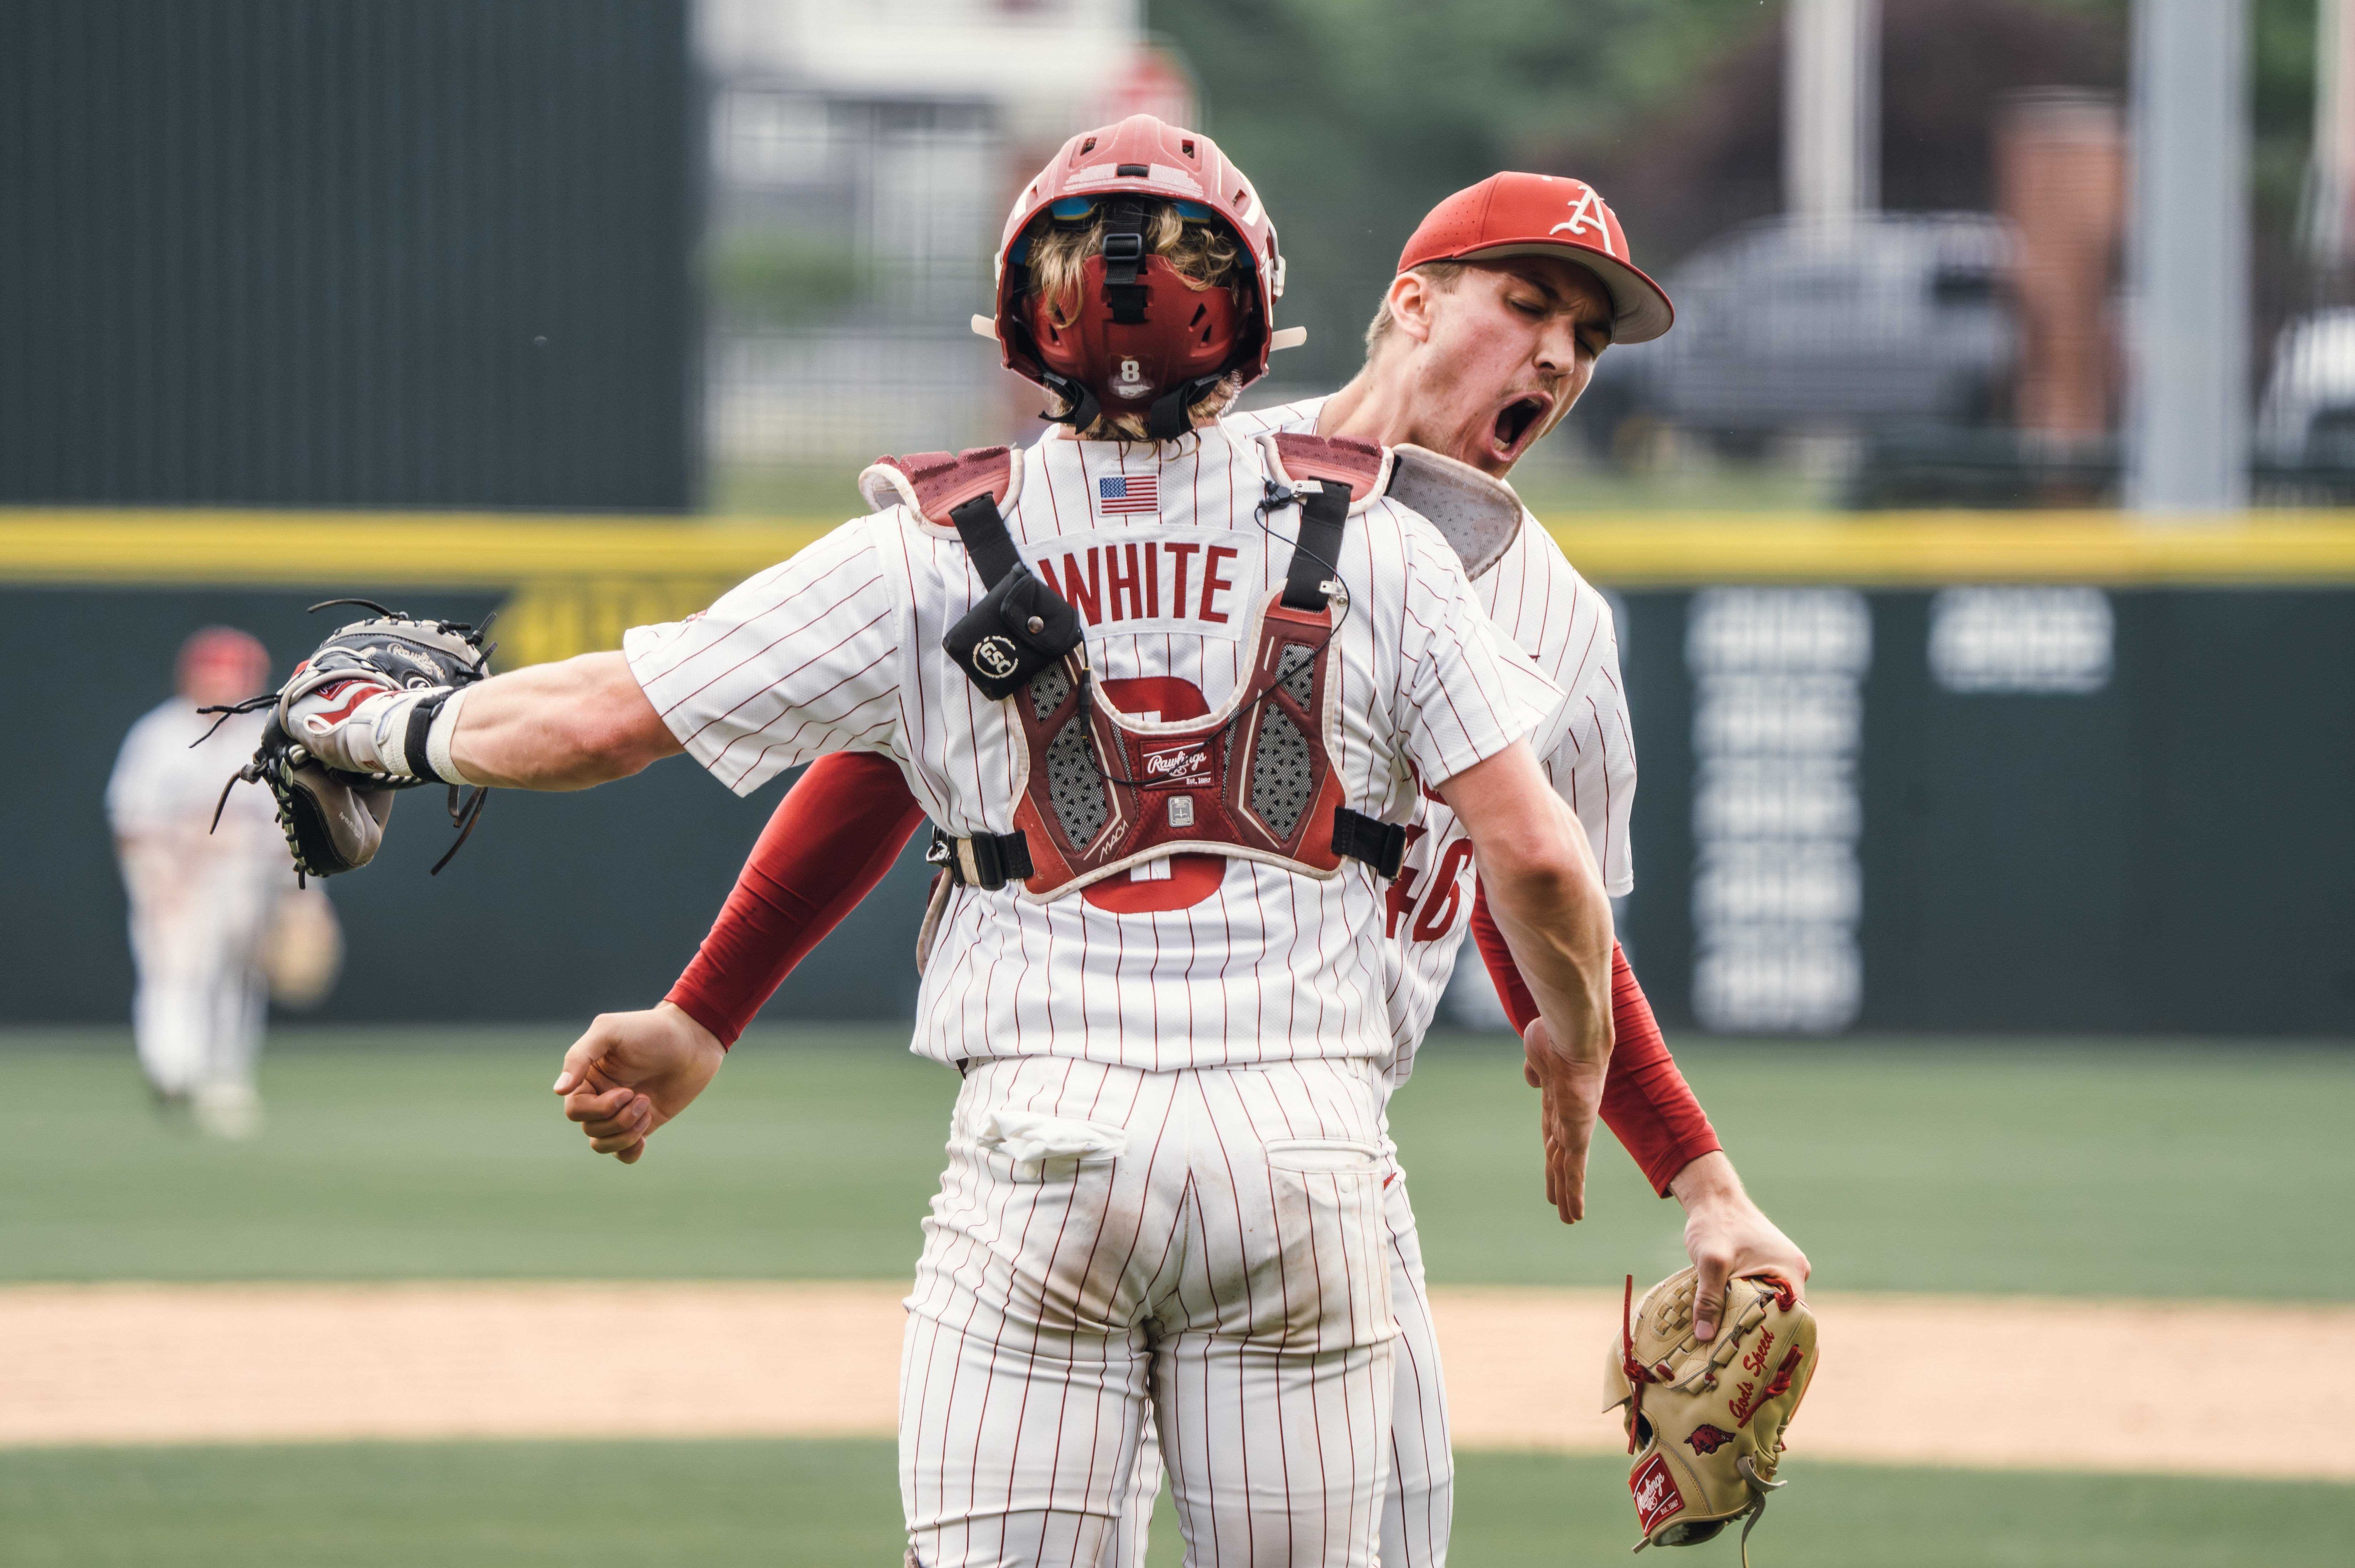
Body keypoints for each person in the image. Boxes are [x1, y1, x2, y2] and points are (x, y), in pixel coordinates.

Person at [281, 117, 1617, 1568]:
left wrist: (370, 726)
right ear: (1256, 323)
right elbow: (1535, 862)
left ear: (1012, 323)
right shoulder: (1387, 546)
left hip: (1044, 1145)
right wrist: (1577, 1032)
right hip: (1304, 1156)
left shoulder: (924, 548)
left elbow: (603, 719)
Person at [558, 172, 1811, 1568]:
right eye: (1526, 306)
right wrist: (706, 1007)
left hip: (1320, 1158)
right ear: (1409, 302)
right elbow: (909, 726)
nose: (1557, 357)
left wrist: (1696, 1176)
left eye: (1586, 338)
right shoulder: (1188, 466)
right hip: (1077, 1122)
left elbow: (1534, 899)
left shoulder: (1555, 625)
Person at [106, 627, 302, 1137]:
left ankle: (225, 1077)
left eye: (233, 677)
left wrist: (300, 898)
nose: (223, 687)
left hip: (244, 879)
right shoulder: (159, 736)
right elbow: (131, 823)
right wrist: (155, 883)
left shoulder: (264, 737)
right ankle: (172, 1070)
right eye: (214, 676)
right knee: (174, 971)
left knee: (237, 979)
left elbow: (286, 828)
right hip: (178, 876)